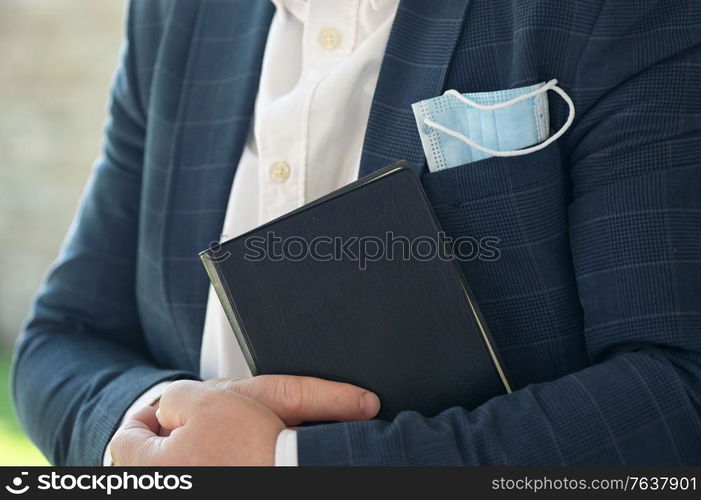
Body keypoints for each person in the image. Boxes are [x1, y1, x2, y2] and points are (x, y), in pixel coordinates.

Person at [12, 0, 701, 466]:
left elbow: (676, 392)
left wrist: (279, 464)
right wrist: (143, 427)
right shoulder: (179, 15)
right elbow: (64, 336)